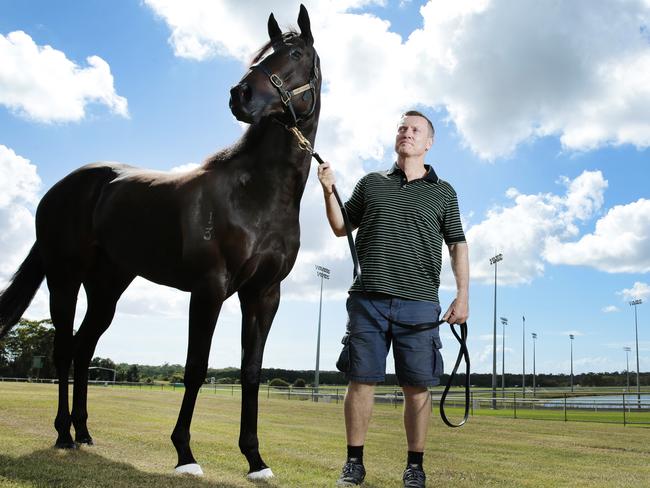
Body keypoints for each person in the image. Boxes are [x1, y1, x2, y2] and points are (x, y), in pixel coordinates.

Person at [317, 110, 469, 487]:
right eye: (402, 127)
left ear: (429, 142)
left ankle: (414, 466)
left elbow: (457, 245)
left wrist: (462, 296)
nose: (407, 133)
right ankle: (354, 463)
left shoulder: (444, 192)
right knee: (360, 382)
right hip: (367, 301)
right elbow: (340, 227)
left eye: (416, 129)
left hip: (419, 304)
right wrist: (327, 189)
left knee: (417, 388)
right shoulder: (371, 183)